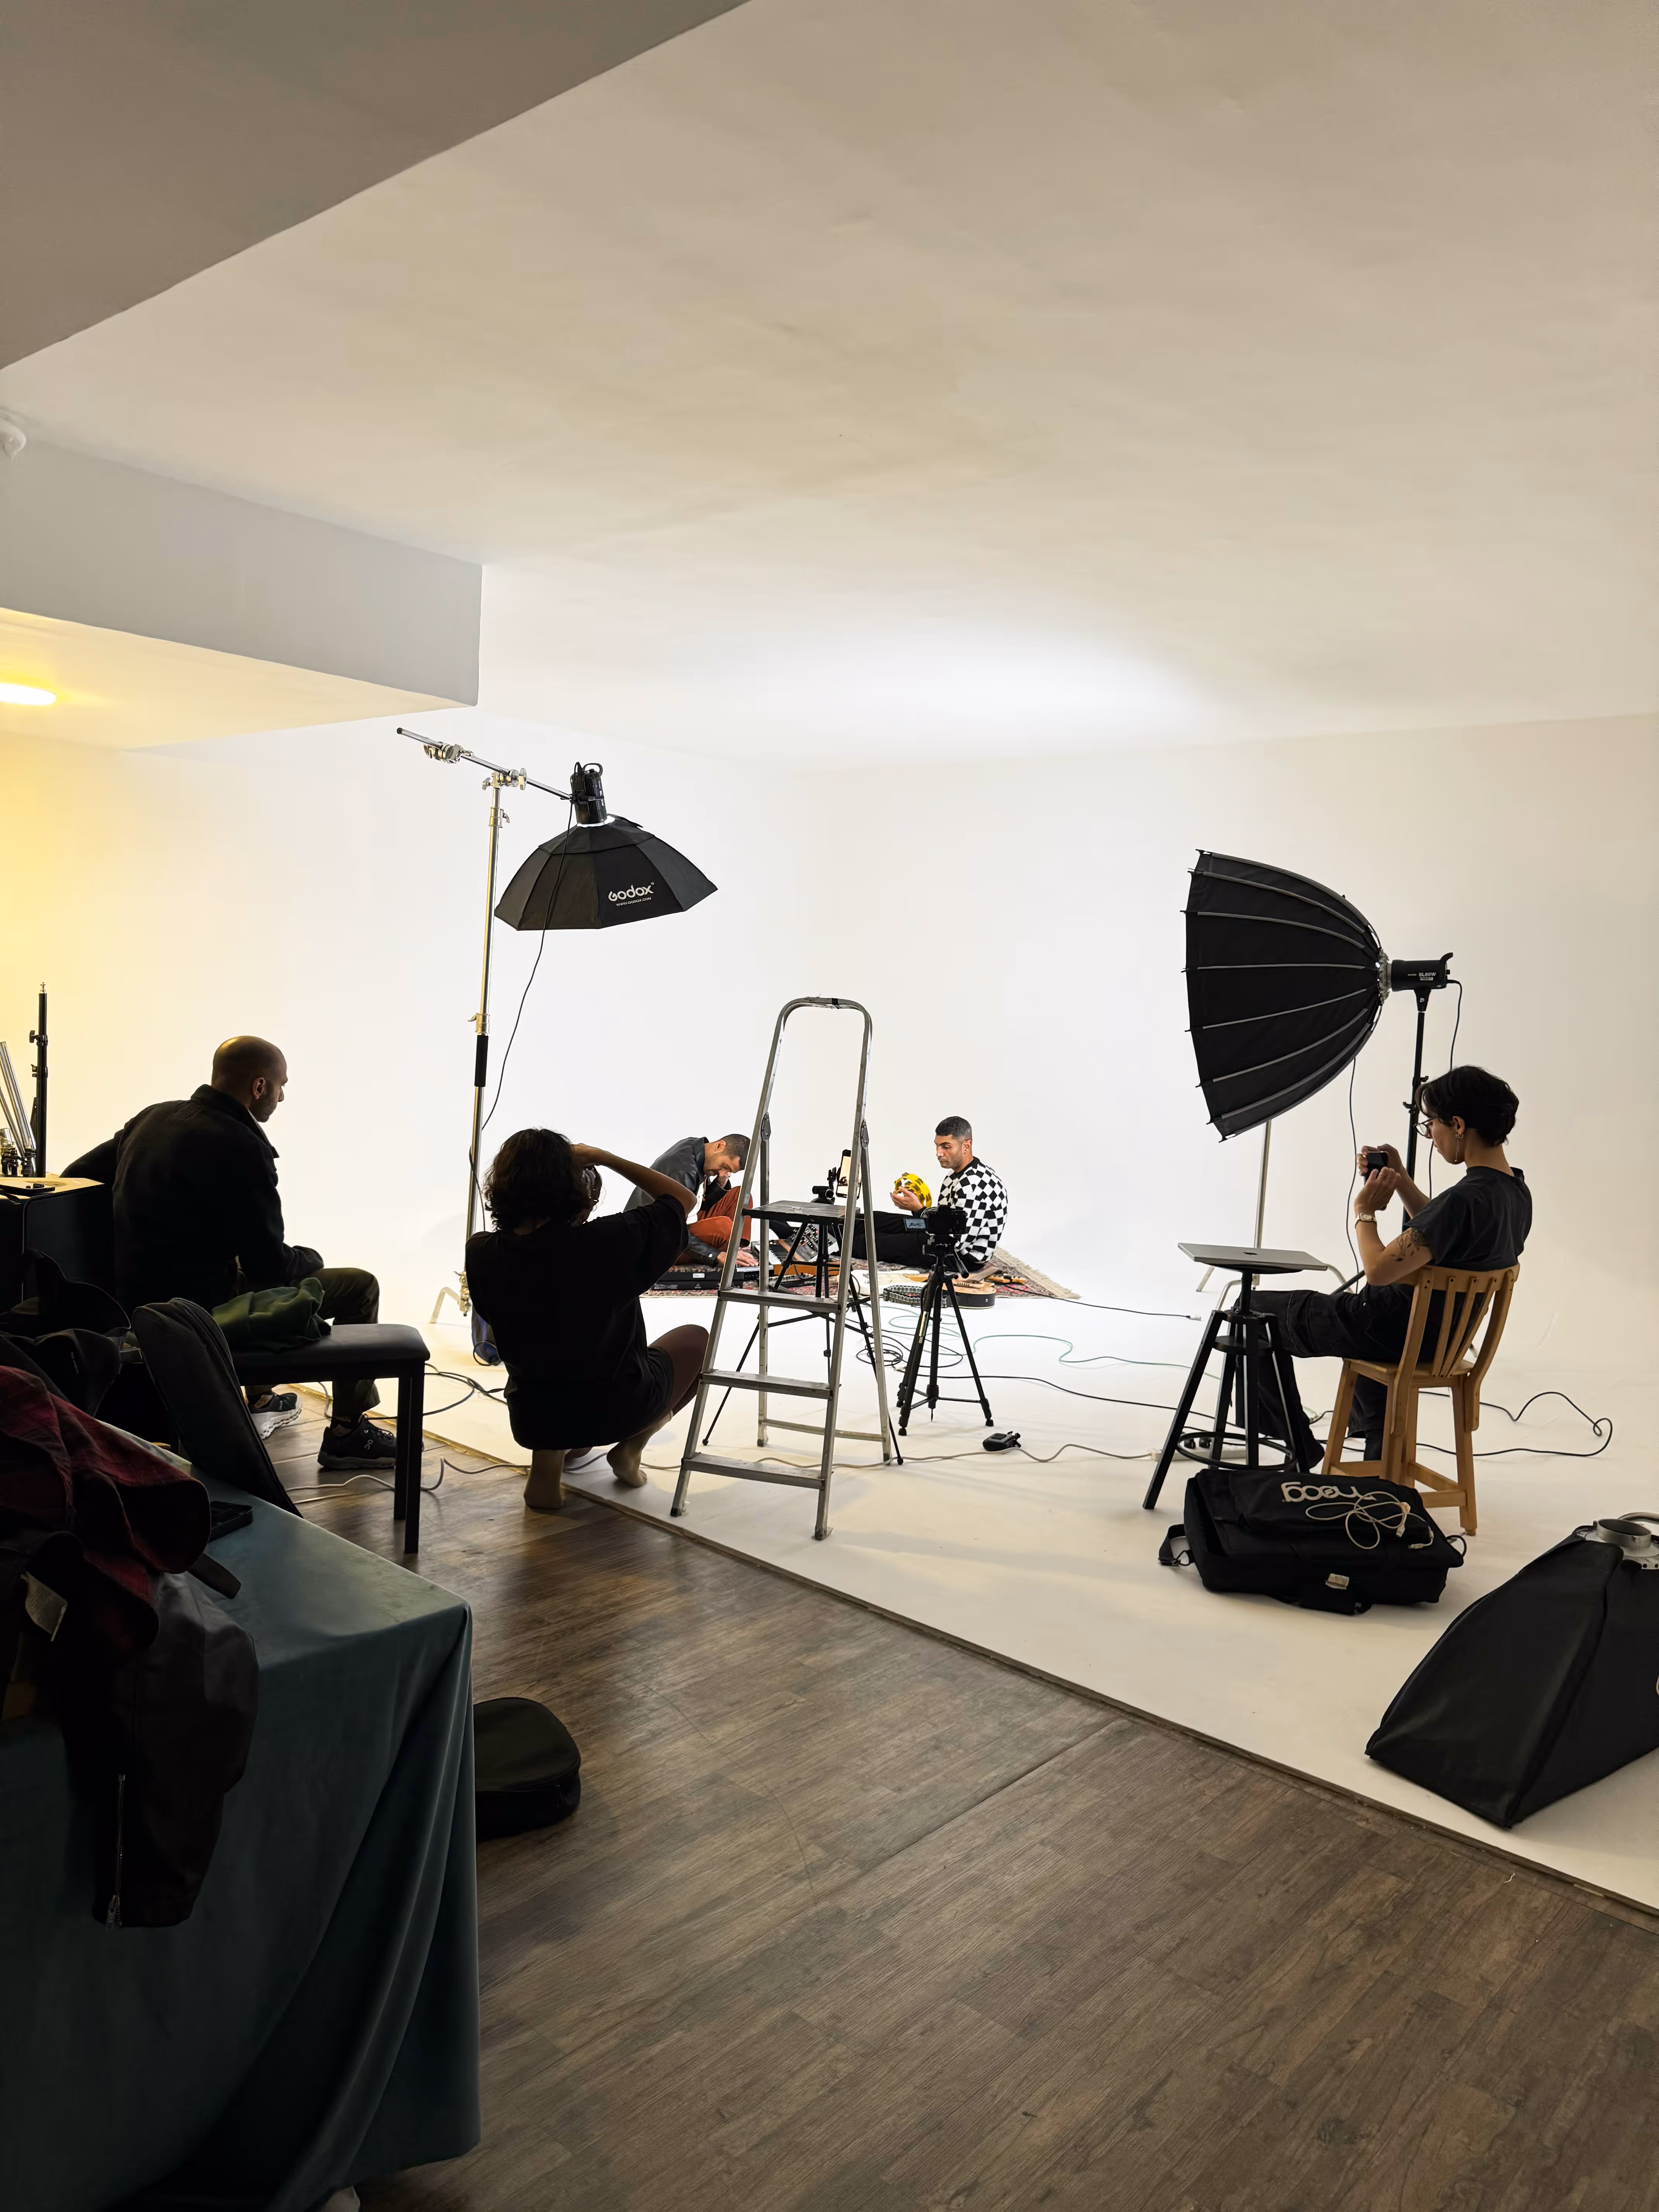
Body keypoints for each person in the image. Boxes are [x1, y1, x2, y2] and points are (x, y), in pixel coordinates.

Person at [64, 1036, 398, 1474]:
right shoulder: (242, 1145)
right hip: (201, 1314)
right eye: (281, 1086)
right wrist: (310, 1259)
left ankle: (260, 1399)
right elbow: (271, 1268)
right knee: (359, 1284)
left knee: (239, 1269)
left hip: (135, 1304)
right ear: (259, 1087)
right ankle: (348, 1434)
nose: (283, 1097)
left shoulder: (152, 1118)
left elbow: (75, 1178)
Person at [1250, 1064, 1532, 1464]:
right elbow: (1447, 1232)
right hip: (1439, 1340)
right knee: (1361, 1323)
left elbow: (1380, 1271)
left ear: (1457, 1125)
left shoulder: (1464, 1198)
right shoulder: (1514, 1192)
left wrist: (1364, 1212)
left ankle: (1298, 1446)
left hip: (1387, 1331)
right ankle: (1379, 1464)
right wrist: (1400, 1180)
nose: (1430, 1137)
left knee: (1250, 1313)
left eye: (1430, 1125)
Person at [466, 1130, 709, 1511]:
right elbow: (683, 1200)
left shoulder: (482, 1252)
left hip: (535, 1417)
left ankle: (546, 1469)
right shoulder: (609, 1241)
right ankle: (630, 1450)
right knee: (698, 1340)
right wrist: (605, 1157)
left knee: (553, 1368)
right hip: (616, 1407)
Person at [883, 1116, 1009, 1274]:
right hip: (943, 1235)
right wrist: (918, 1211)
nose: (939, 1153)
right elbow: (943, 1217)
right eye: (937, 1146)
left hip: (960, 1257)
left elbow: (956, 1241)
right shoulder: (958, 1174)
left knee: (873, 1242)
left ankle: (853, 1241)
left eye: (946, 1147)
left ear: (966, 1146)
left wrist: (919, 1210)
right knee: (877, 1221)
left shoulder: (972, 1187)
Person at [623, 1132, 750, 1258]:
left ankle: (735, 1250)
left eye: (729, 1171)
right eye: (725, 1166)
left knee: (742, 1196)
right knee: (724, 1227)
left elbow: (701, 1201)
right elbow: (674, 1229)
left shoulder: (697, 1148)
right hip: (655, 1238)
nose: (723, 1173)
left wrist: (721, 1183)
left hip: (684, 1219)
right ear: (720, 1146)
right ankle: (728, 1251)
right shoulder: (683, 1172)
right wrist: (714, 1255)